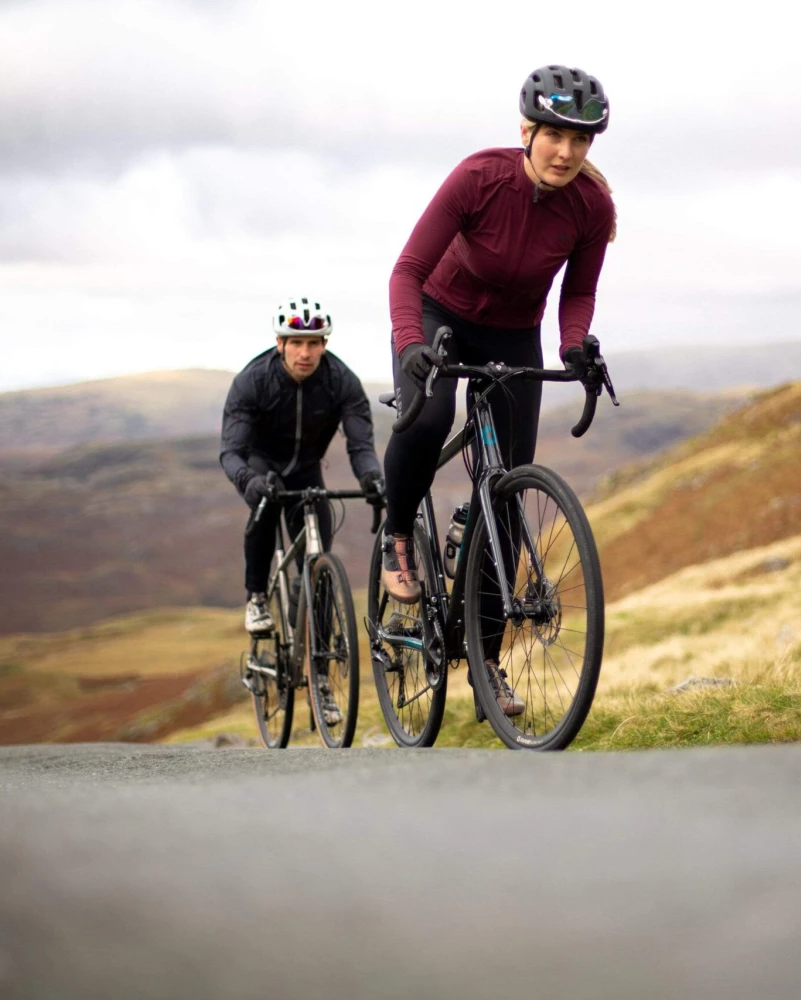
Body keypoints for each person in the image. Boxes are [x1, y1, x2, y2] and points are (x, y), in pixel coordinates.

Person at [379, 65, 615, 717]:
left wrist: (574, 345)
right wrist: (411, 344)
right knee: (428, 420)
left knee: (506, 494)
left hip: (513, 334)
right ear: (527, 131)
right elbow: (407, 271)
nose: (566, 152)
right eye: (554, 136)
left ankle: (486, 662)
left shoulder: (591, 206)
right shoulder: (479, 178)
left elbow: (579, 292)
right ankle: (398, 536)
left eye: (580, 139)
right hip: (438, 318)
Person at [220, 296, 384, 724]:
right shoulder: (253, 381)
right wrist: (249, 481)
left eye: (314, 343)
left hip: (308, 472)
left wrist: (371, 477)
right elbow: (231, 451)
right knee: (262, 513)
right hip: (262, 468)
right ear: (280, 343)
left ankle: (321, 680)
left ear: (325, 344)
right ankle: (257, 597)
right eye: (296, 343)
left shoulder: (341, 382)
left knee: (319, 571)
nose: (305, 352)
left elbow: (361, 445)